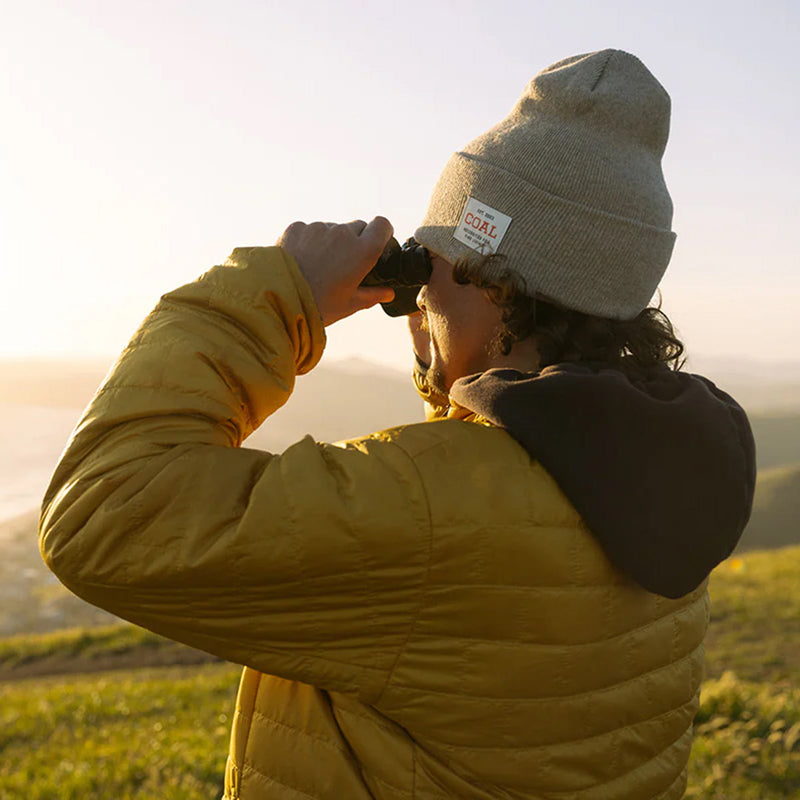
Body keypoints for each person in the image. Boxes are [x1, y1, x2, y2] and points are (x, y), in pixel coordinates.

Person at [39, 49, 756, 799]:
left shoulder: (432, 511)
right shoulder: (658, 464)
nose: (419, 295)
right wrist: (449, 356)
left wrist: (278, 295)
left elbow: (103, 512)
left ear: (497, 279)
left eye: (434, 261)